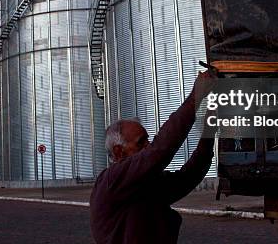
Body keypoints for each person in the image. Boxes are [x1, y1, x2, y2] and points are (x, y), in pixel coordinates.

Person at [90, 71, 216, 244]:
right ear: (119, 152)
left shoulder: (145, 183)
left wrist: (209, 130)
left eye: (148, 140)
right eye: (141, 142)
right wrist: (195, 97)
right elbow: (160, 151)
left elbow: (188, 177)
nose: (148, 146)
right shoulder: (110, 181)